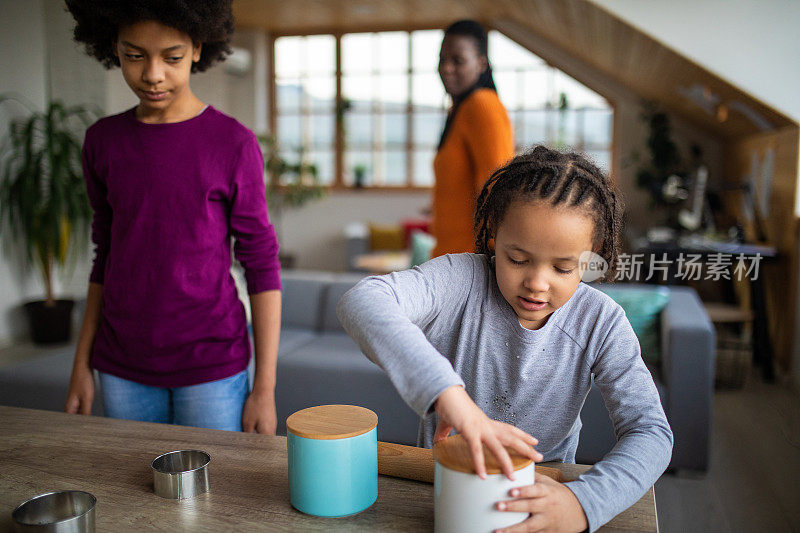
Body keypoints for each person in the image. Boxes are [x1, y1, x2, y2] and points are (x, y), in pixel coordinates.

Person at [338, 146, 673, 532]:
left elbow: (651, 432)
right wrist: (449, 396)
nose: (537, 283)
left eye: (563, 268)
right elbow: (363, 300)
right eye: (517, 259)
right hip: (447, 493)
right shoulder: (459, 281)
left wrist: (584, 504)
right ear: (495, 232)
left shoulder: (601, 321)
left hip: (542, 501)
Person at [63, 0, 282, 434]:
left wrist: (264, 389)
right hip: (122, 365)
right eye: (134, 55)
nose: (153, 74)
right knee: (132, 495)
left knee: (214, 496)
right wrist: (81, 364)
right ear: (113, 47)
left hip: (212, 366)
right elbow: (105, 255)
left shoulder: (233, 143)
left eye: (172, 57)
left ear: (198, 47)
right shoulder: (102, 142)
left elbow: (261, 265)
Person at [432, 20, 514, 257]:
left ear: (481, 64)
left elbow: (498, 190)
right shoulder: (461, 109)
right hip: (451, 260)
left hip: (471, 265)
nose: (446, 68)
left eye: (457, 60)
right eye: (442, 59)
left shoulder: (482, 105)